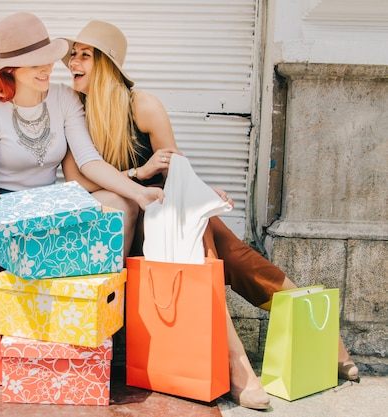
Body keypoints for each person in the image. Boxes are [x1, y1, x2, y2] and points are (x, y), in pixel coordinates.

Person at [60, 20, 359, 410]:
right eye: (73, 54)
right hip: (124, 225)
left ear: (108, 64)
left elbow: (177, 170)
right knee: (204, 240)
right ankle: (240, 369)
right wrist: (138, 174)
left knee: (230, 252)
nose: (73, 62)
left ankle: (321, 337)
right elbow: (76, 181)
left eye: (85, 54)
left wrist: (201, 194)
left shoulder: (142, 105)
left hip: (166, 220)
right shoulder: (73, 109)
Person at [0, 12, 163, 268]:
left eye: (49, 58)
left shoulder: (63, 97)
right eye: (36, 63)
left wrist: (141, 193)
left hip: (47, 209)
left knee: (122, 204)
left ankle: (107, 294)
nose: (48, 68)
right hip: (6, 211)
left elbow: (89, 161)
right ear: (10, 68)